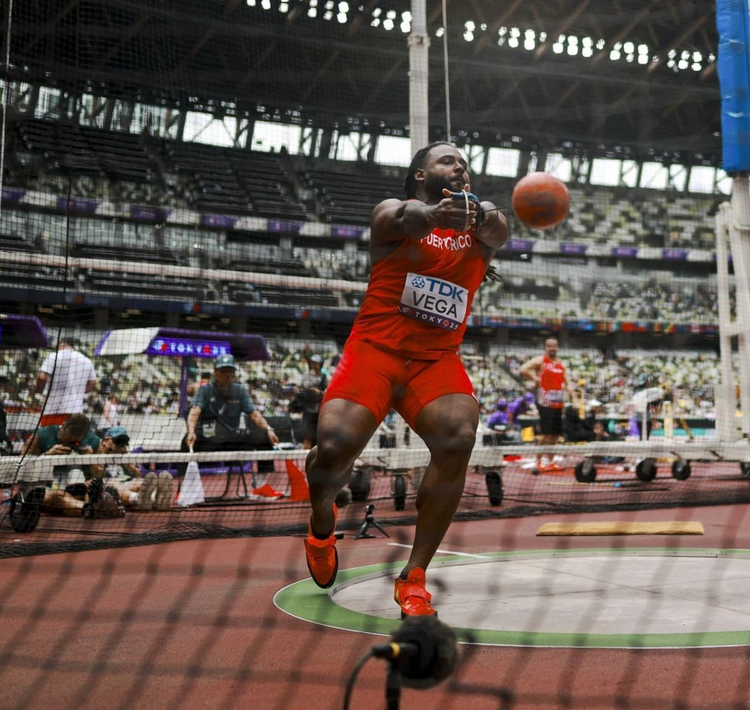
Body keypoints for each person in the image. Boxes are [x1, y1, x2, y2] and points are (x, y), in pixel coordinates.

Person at [302, 142, 509, 618]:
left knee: (459, 437)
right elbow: (404, 218)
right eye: (447, 161)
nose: (459, 167)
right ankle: (320, 524)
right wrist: (436, 215)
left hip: (435, 361)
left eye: (464, 163)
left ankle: (413, 577)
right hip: (375, 352)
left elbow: (501, 226)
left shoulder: (481, 226)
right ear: (420, 174)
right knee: (333, 447)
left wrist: (477, 214)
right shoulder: (392, 211)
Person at [185, 356, 280, 451]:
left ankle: (266, 461)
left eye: (230, 371)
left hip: (231, 437)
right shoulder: (204, 390)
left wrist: (268, 429)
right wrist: (191, 431)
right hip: (209, 437)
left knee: (264, 437)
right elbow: (194, 411)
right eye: (223, 371)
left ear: (234, 373)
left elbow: (254, 414)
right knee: (186, 443)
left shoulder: (240, 390)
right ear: (215, 372)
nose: (227, 374)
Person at [519, 336, 569, 472]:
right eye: (549, 346)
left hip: (558, 403)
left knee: (554, 435)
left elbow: (566, 381)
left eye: (554, 345)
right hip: (545, 402)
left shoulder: (561, 363)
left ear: (558, 347)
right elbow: (523, 369)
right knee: (545, 434)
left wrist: (572, 396)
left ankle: (550, 462)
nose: (552, 348)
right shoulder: (540, 360)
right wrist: (536, 379)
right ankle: (538, 461)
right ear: (546, 347)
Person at [36, 338, 98, 428]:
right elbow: (93, 383)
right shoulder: (86, 360)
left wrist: (38, 392)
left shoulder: (54, 356)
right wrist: (78, 392)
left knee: (49, 436)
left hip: (53, 410)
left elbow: (42, 376)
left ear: (60, 344)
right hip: (76, 411)